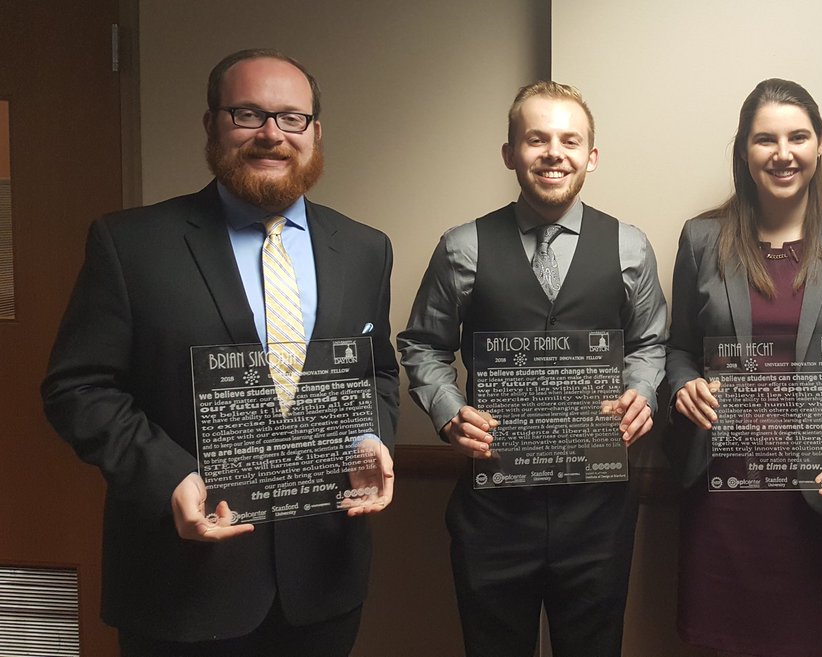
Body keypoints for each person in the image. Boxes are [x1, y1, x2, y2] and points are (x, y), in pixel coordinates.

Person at [41, 49, 400, 657]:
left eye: (291, 118)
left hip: (323, 582)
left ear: (315, 132)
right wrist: (168, 476)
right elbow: (78, 387)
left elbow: (378, 373)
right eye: (247, 114)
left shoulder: (365, 248)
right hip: (181, 582)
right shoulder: (130, 244)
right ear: (210, 125)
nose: (271, 135)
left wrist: (371, 436)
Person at [397, 81, 667, 657]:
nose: (553, 152)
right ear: (510, 154)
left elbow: (650, 342)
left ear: (591, 156)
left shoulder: (630, 248)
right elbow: (422, 344)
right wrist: (448, 415)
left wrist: (641, 389)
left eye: (570, 140)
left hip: (597, 509)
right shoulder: (461, 247)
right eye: (536, 139)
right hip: (493, 508)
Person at [665, 78, 822, 656]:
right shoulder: (702, 238)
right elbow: (677, 350)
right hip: (723, 494)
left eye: (798, 136)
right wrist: (683, 385)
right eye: (765, 139)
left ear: (820, 144)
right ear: (744, 150)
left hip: (816, 489)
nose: (783, 153)